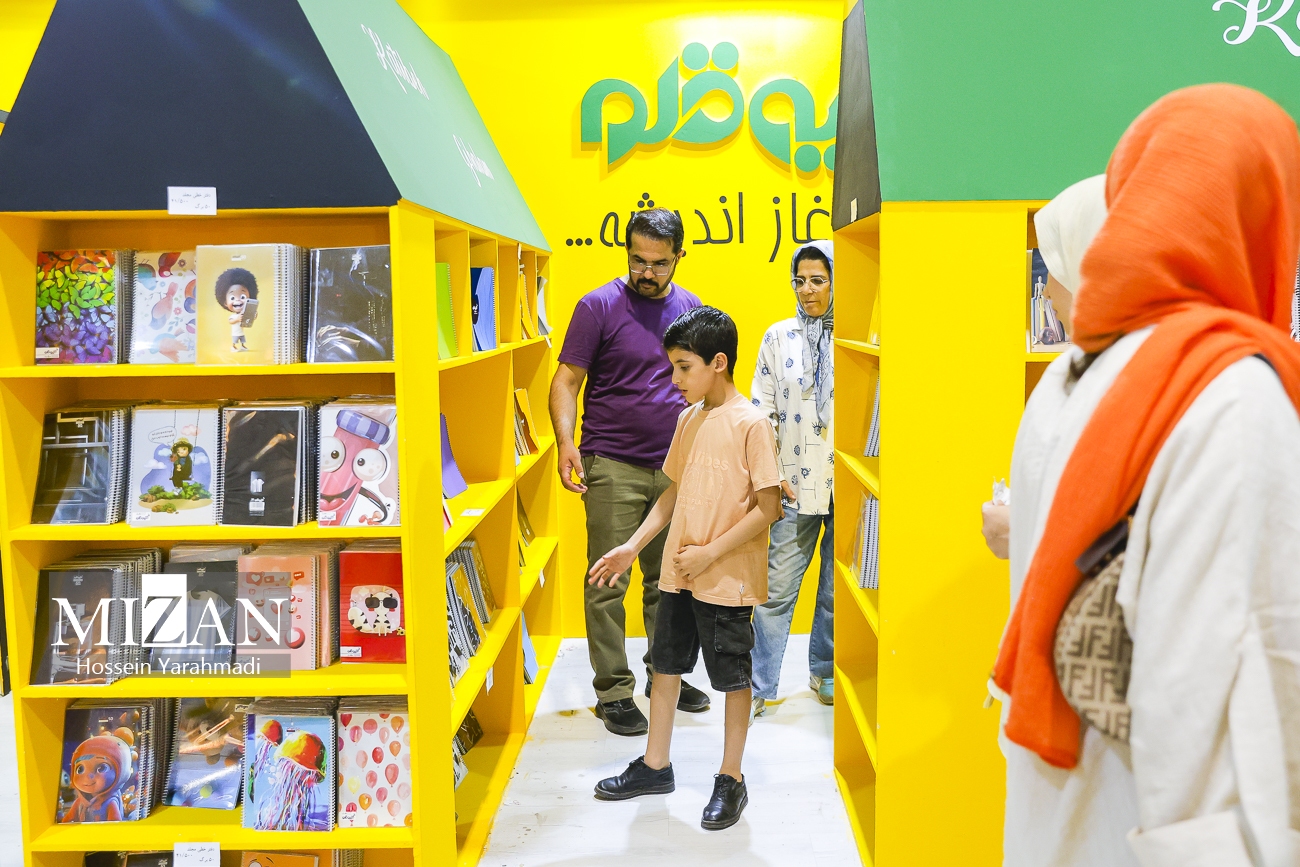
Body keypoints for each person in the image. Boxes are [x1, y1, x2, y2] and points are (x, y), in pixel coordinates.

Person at [993, 84, 1300, 865]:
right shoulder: (1231, 394)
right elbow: (1219, 683)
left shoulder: (1077, 373)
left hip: (1064, 800)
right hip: (1167, 823)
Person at [588, 306, 783, 830]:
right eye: (672, 366)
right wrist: (632, 547)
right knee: (666, 666)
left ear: (718, 362)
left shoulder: (752, 423)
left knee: (733, 678)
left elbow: (769, 508)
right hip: (680, 573)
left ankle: (731, 778)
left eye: (683, 367)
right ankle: (656, 765)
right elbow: (672, 494)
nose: (674, 379)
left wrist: (709, 553)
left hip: (725, 578)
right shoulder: (688, 419)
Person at [550, 208, 710, 736]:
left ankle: (664, 676)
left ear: (679, 256)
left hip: (676, 469)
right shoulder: (597, 305)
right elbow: (566, 380)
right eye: (638, 260)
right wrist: (566, 443)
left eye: (659, 263)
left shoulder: (691, 310)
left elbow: (706, 387)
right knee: (607, 580)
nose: (647, 272)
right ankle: (614, 691)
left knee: (670, 583)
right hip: (611, 464)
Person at [980, 177, 1107, 561]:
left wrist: (1024, 531)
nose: (1046, 292)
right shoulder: (1085, 366)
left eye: (1054, 267)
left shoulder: (1134, 379)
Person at [749, 240, 836, 717]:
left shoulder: (857, 337)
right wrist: (773, 474)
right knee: (776, 590)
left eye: (818, 280)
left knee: (835, 591)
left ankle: (825, 670)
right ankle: (758, 685)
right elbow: (762, 413)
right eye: (799, 281)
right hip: (793, 486)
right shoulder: (778, 337)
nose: (807, 290)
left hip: (848, 485)